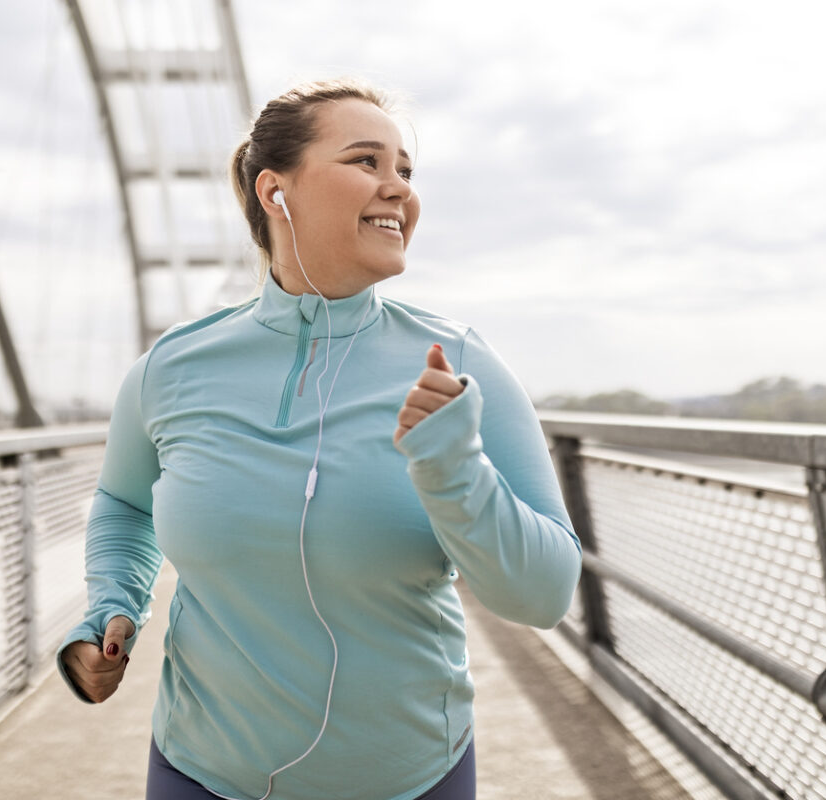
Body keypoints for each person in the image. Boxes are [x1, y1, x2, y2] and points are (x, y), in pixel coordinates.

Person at [58, 78, 582, 800]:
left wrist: (453, 470)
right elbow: (124, 502)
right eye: (367, 161)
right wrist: (112, 604)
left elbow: (545, 595)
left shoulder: (458, 363)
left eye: (405, 170)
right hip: (201, 773)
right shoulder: (171, 368)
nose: (398, 188)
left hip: (410, 780)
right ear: (277, 192)